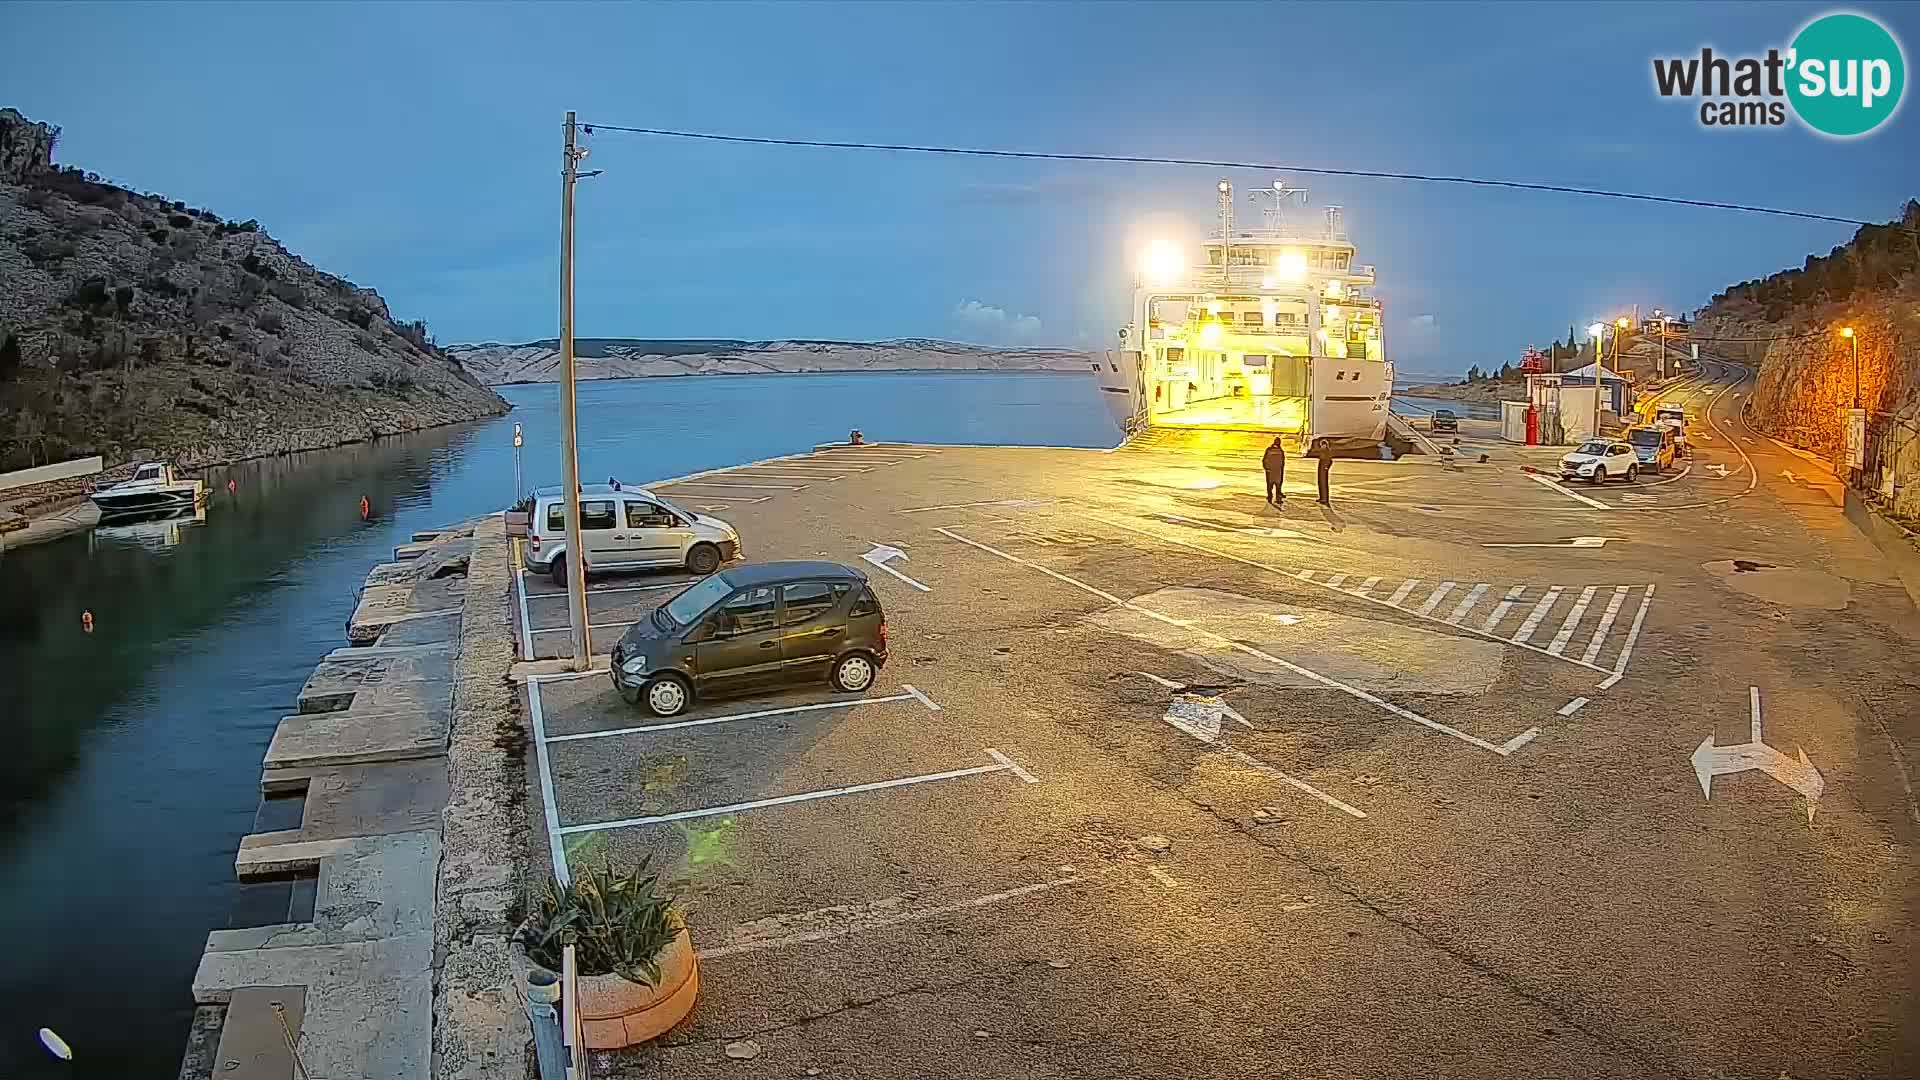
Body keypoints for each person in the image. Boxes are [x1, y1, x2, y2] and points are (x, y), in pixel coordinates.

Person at [1261, 436, 1287, 507]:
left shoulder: (1269, 450)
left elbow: (1264, 459)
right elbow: (1282, 462)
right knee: (1278, 485)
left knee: (1269, 485)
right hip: (1277, 471)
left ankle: (1270, 497)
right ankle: (1278, 498)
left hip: (1270, 471)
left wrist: (1266, 468)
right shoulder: (1280, 451)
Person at [1312, 439, 1335, 506]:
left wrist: (1326, 467)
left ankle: (1325, 499)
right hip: (1321, 469)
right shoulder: (1322, 451)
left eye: (1323, 445)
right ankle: (1322, 497)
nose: (1322, 446)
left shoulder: (1327, 452)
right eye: (1322, 445)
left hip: (1324, 470)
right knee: (1320, 483)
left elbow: (1330, 461)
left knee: (1324, 484)